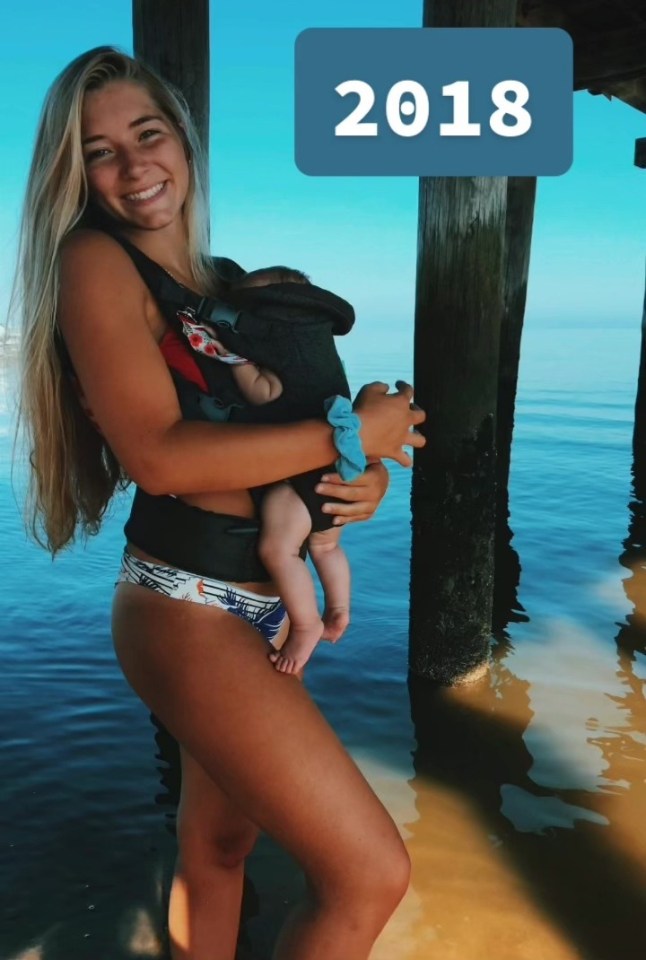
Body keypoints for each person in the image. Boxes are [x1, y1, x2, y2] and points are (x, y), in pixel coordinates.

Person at [14, 46, 426, 960]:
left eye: (147, 134)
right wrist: (351, 438)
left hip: (256, 599)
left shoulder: (224, 285)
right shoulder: (94, 261)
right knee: (368, 874)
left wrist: (364, 482)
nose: (132, 165)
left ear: (186, 144)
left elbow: (288, 438)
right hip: (184, 603)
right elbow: (161, 459)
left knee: (219, 847)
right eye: (98, 151)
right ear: (71, 175)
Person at [192, 263, 357, 674]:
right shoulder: (314, 344)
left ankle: (306, 625)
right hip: (338, 467)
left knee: (278, 549)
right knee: (325, 545)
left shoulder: (280, 349)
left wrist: (237, 361)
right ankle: (338, 609)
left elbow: (265, 393)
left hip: (302, 477)